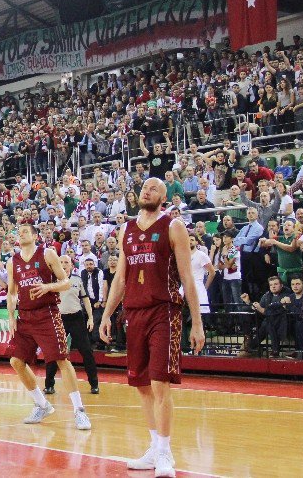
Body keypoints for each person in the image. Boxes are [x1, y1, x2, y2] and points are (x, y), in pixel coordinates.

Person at [99, 178, 205, 478]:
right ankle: (154, 447)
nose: (147, 190)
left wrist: (197, 322)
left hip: (164, 311)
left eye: (155, 188)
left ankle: (165, 452)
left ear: (164, 197)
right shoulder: (126, 229)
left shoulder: (173, 226)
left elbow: (187, 278)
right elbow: (120, 278)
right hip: (134, 312)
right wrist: (107, 314)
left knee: (160, 383)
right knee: (142, 385)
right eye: (145, 187)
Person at [6, 224, 91, 429]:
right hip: (25, 317)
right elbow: (11, 292)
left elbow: (66, 282)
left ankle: (79, 411)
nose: (22, 233)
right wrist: (11, 316)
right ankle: (42, 405)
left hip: (47, 314)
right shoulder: (12, 262)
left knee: (61, 359)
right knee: (16, 361)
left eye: (26, 231)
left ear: (35, 236)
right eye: (20, 231)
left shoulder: (48, 254)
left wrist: (47, 287)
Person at [45, 254, 100, 395]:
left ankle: (94, 384)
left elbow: (86, 299)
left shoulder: (77, 280)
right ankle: (49, 385)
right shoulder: (52, 280)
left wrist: (90, 318)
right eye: (61, 262)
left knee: (86, 351)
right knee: (54, 352)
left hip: (76, 318)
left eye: (66, 262)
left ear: (71, 265)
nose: (63, 264)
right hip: (58, 319)